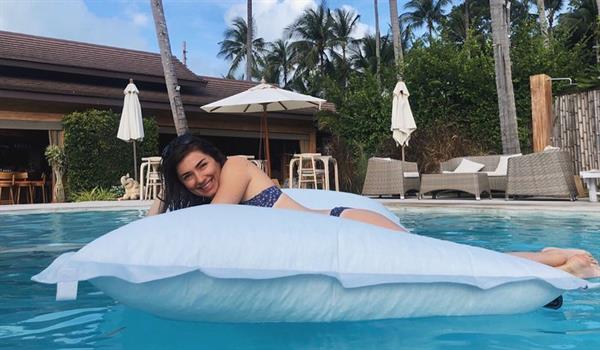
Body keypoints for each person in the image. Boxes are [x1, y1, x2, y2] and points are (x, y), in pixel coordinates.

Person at [148, 134, 600, 279]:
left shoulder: (236, 169)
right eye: (186, 177)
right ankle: (550, 258)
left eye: (200, 166)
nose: (199, 179)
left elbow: (213, 224)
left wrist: (168, 197)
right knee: (447, 262)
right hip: (337, 233)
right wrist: (167, 194)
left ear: (216, 159)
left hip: (344, 228)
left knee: (452, 265)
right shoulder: (212, 188)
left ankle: (553, 263)